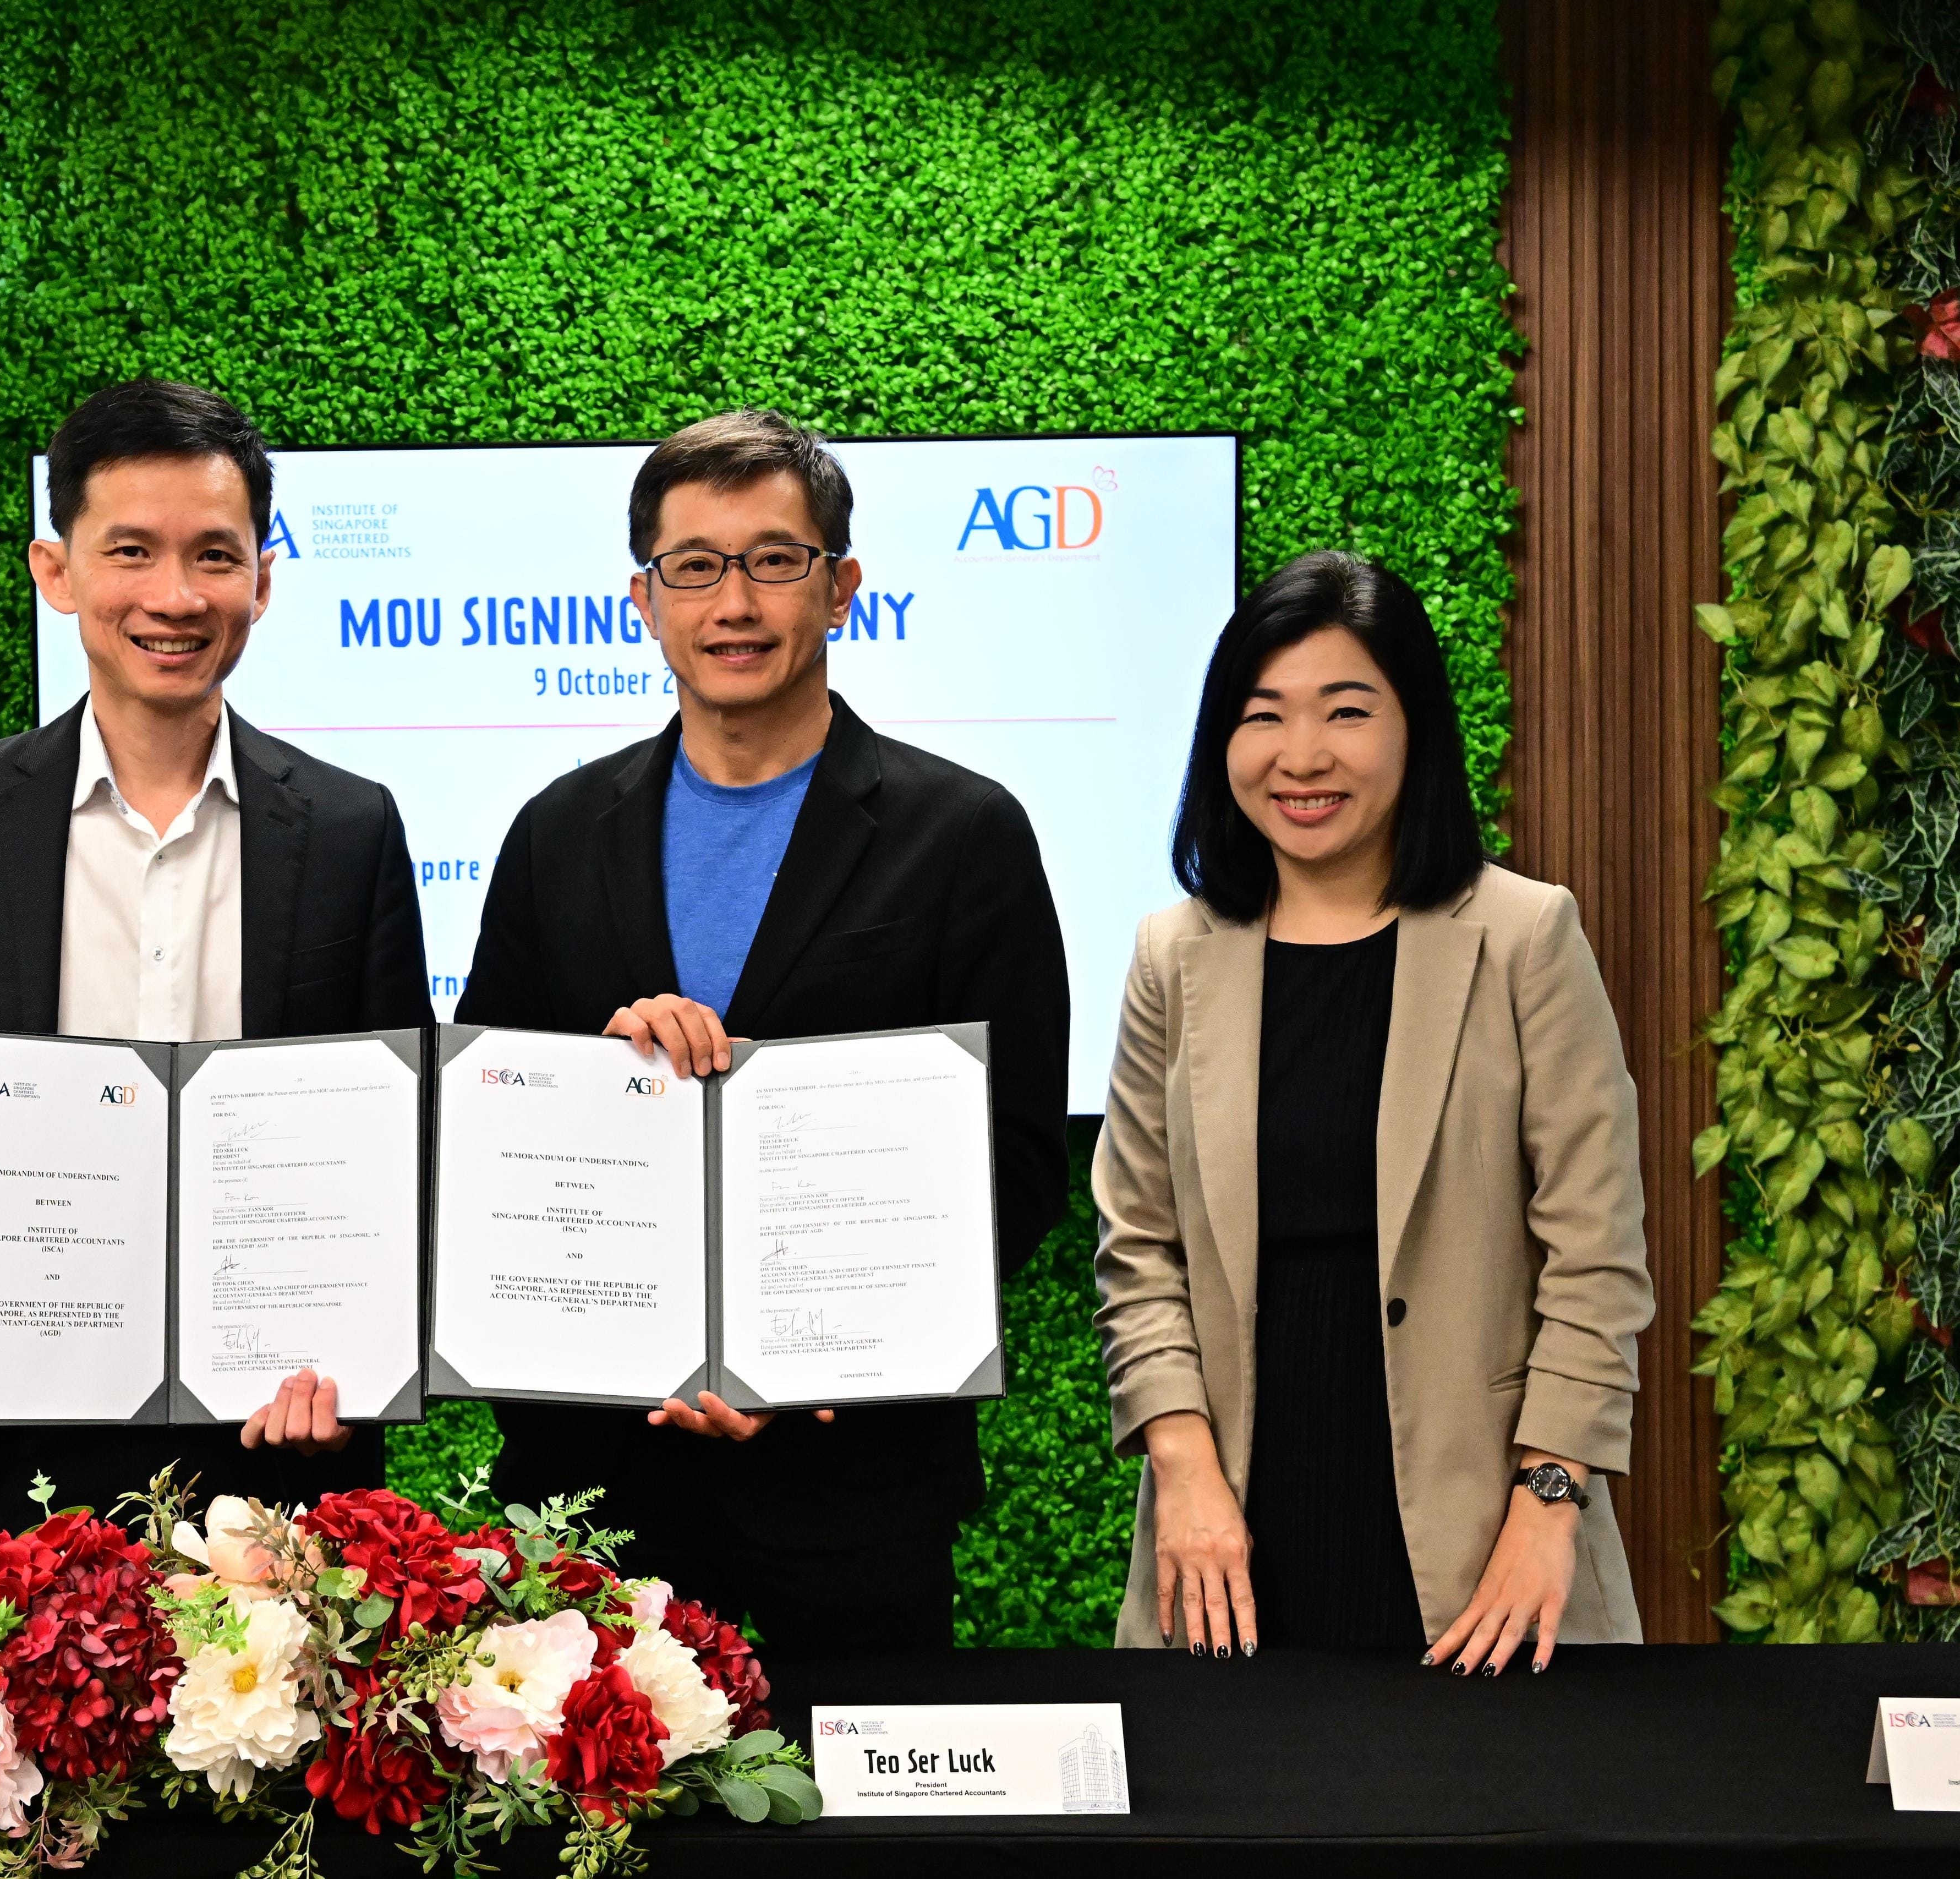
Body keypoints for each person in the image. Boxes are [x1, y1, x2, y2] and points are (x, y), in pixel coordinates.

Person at [454, 409, 1071, 1651]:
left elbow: (1019, 1167)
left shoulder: (963, 836)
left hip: (855, 1504)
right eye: (695, 564)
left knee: (854, 1846)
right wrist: (596, 1067)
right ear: (645, 598)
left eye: (774, 559)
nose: (732, 601)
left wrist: (814, 1365)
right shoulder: (554, 834)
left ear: (840, 586)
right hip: (592, 1500)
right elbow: (483, 1146)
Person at [0, 379, 436, 1570]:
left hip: (272, 1441)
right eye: (132, 553)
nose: (175, 596)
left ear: (261, 580)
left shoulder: (349, 825)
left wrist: (353, 1349)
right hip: (12, 1436)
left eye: (215, 556)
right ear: (55, 572)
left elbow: (397, 1124)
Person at [1093, 550, 1654, 1673]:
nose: (1302, 757)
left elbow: (1595, 1253)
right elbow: (1138, 1251)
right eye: (1263, 717)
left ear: (1414, 728)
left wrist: (1549, 1502)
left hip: (1483, 1526)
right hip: (1233, 1528)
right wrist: (1185, 1469)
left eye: (1345, 711)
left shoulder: (1524, 937)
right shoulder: (1174, 955)